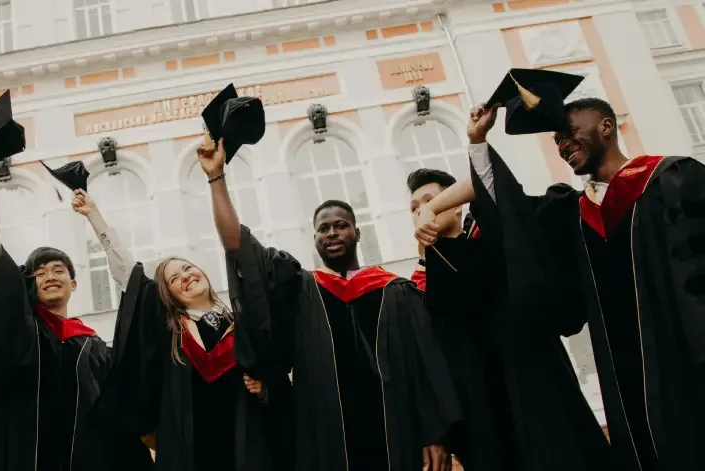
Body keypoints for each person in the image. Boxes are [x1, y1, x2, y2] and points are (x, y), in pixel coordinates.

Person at [416, 90, 705, 469]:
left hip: (687, 352)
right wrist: (475, 144)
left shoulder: (673, 178)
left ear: (606, 126)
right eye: (557, 141)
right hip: (623, 372)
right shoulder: (571, 212)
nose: (563, 145)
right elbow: (510, 210)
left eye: (569, 133)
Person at [199, 132, 461, 471]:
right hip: (326, 440)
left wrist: (436, 433)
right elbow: (239, 247)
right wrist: (216, 178)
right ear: (315, 238)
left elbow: (426, 367)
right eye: (324, 228)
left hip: (399, 435)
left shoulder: (395, 291)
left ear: (357, 232)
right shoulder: (299, 288)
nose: (333, 232)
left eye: (341, 225)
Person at [408, 168, 613, 471]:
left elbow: (488, 184)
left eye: (430, 200)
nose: (421, 212)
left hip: (537, 391)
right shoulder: (416, 289)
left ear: (455, 204)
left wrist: (431, 209)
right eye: (414, 209)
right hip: (483, 417)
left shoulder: (494, 240)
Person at [0, 148, 153, 471]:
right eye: (39, 272)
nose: (49, 276)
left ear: (74, 284)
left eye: (58, 270)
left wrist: (95, 216)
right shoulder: (22, 333)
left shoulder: (92, 347)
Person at [79, 188, 293, 471]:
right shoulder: (171, 332)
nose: (185, 277)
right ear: (167, 295)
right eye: (174, 279)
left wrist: (265, 390)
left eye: (188, 268)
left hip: (247, 442)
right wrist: (95, 216)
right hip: (190, 447)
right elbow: (128, 275)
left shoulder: (242, 325)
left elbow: (278, 381)